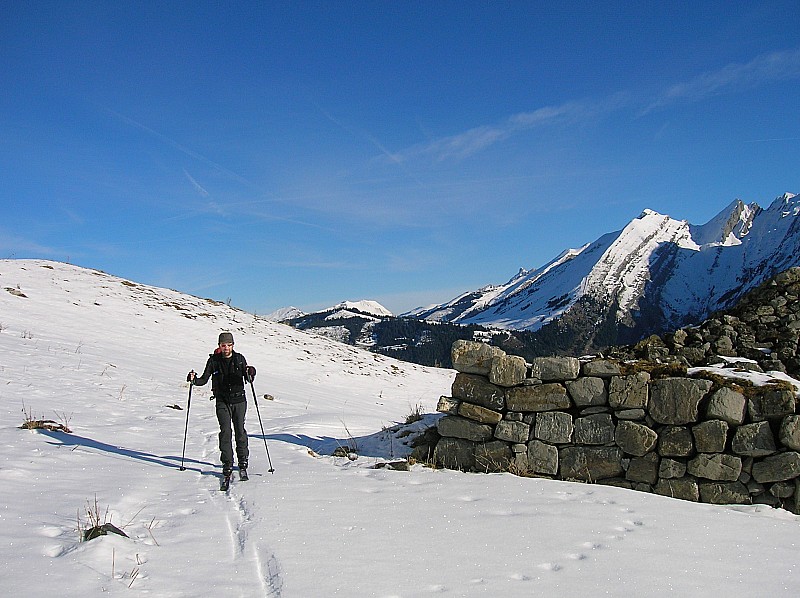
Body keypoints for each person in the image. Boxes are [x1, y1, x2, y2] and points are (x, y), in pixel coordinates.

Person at [188, 332, 256, 480]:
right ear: (219, 345)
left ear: (233, 345)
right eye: (223, 345)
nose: (226, 348)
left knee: (240, 430)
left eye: (229, 345)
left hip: (239, 401)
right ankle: (227, 463)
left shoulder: (239, 359)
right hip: (222, 401)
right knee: (225, 431)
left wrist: (251, 372)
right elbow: (204, 380)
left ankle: (243, 460)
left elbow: (248, 378)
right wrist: (193, 380)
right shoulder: (213, 361)